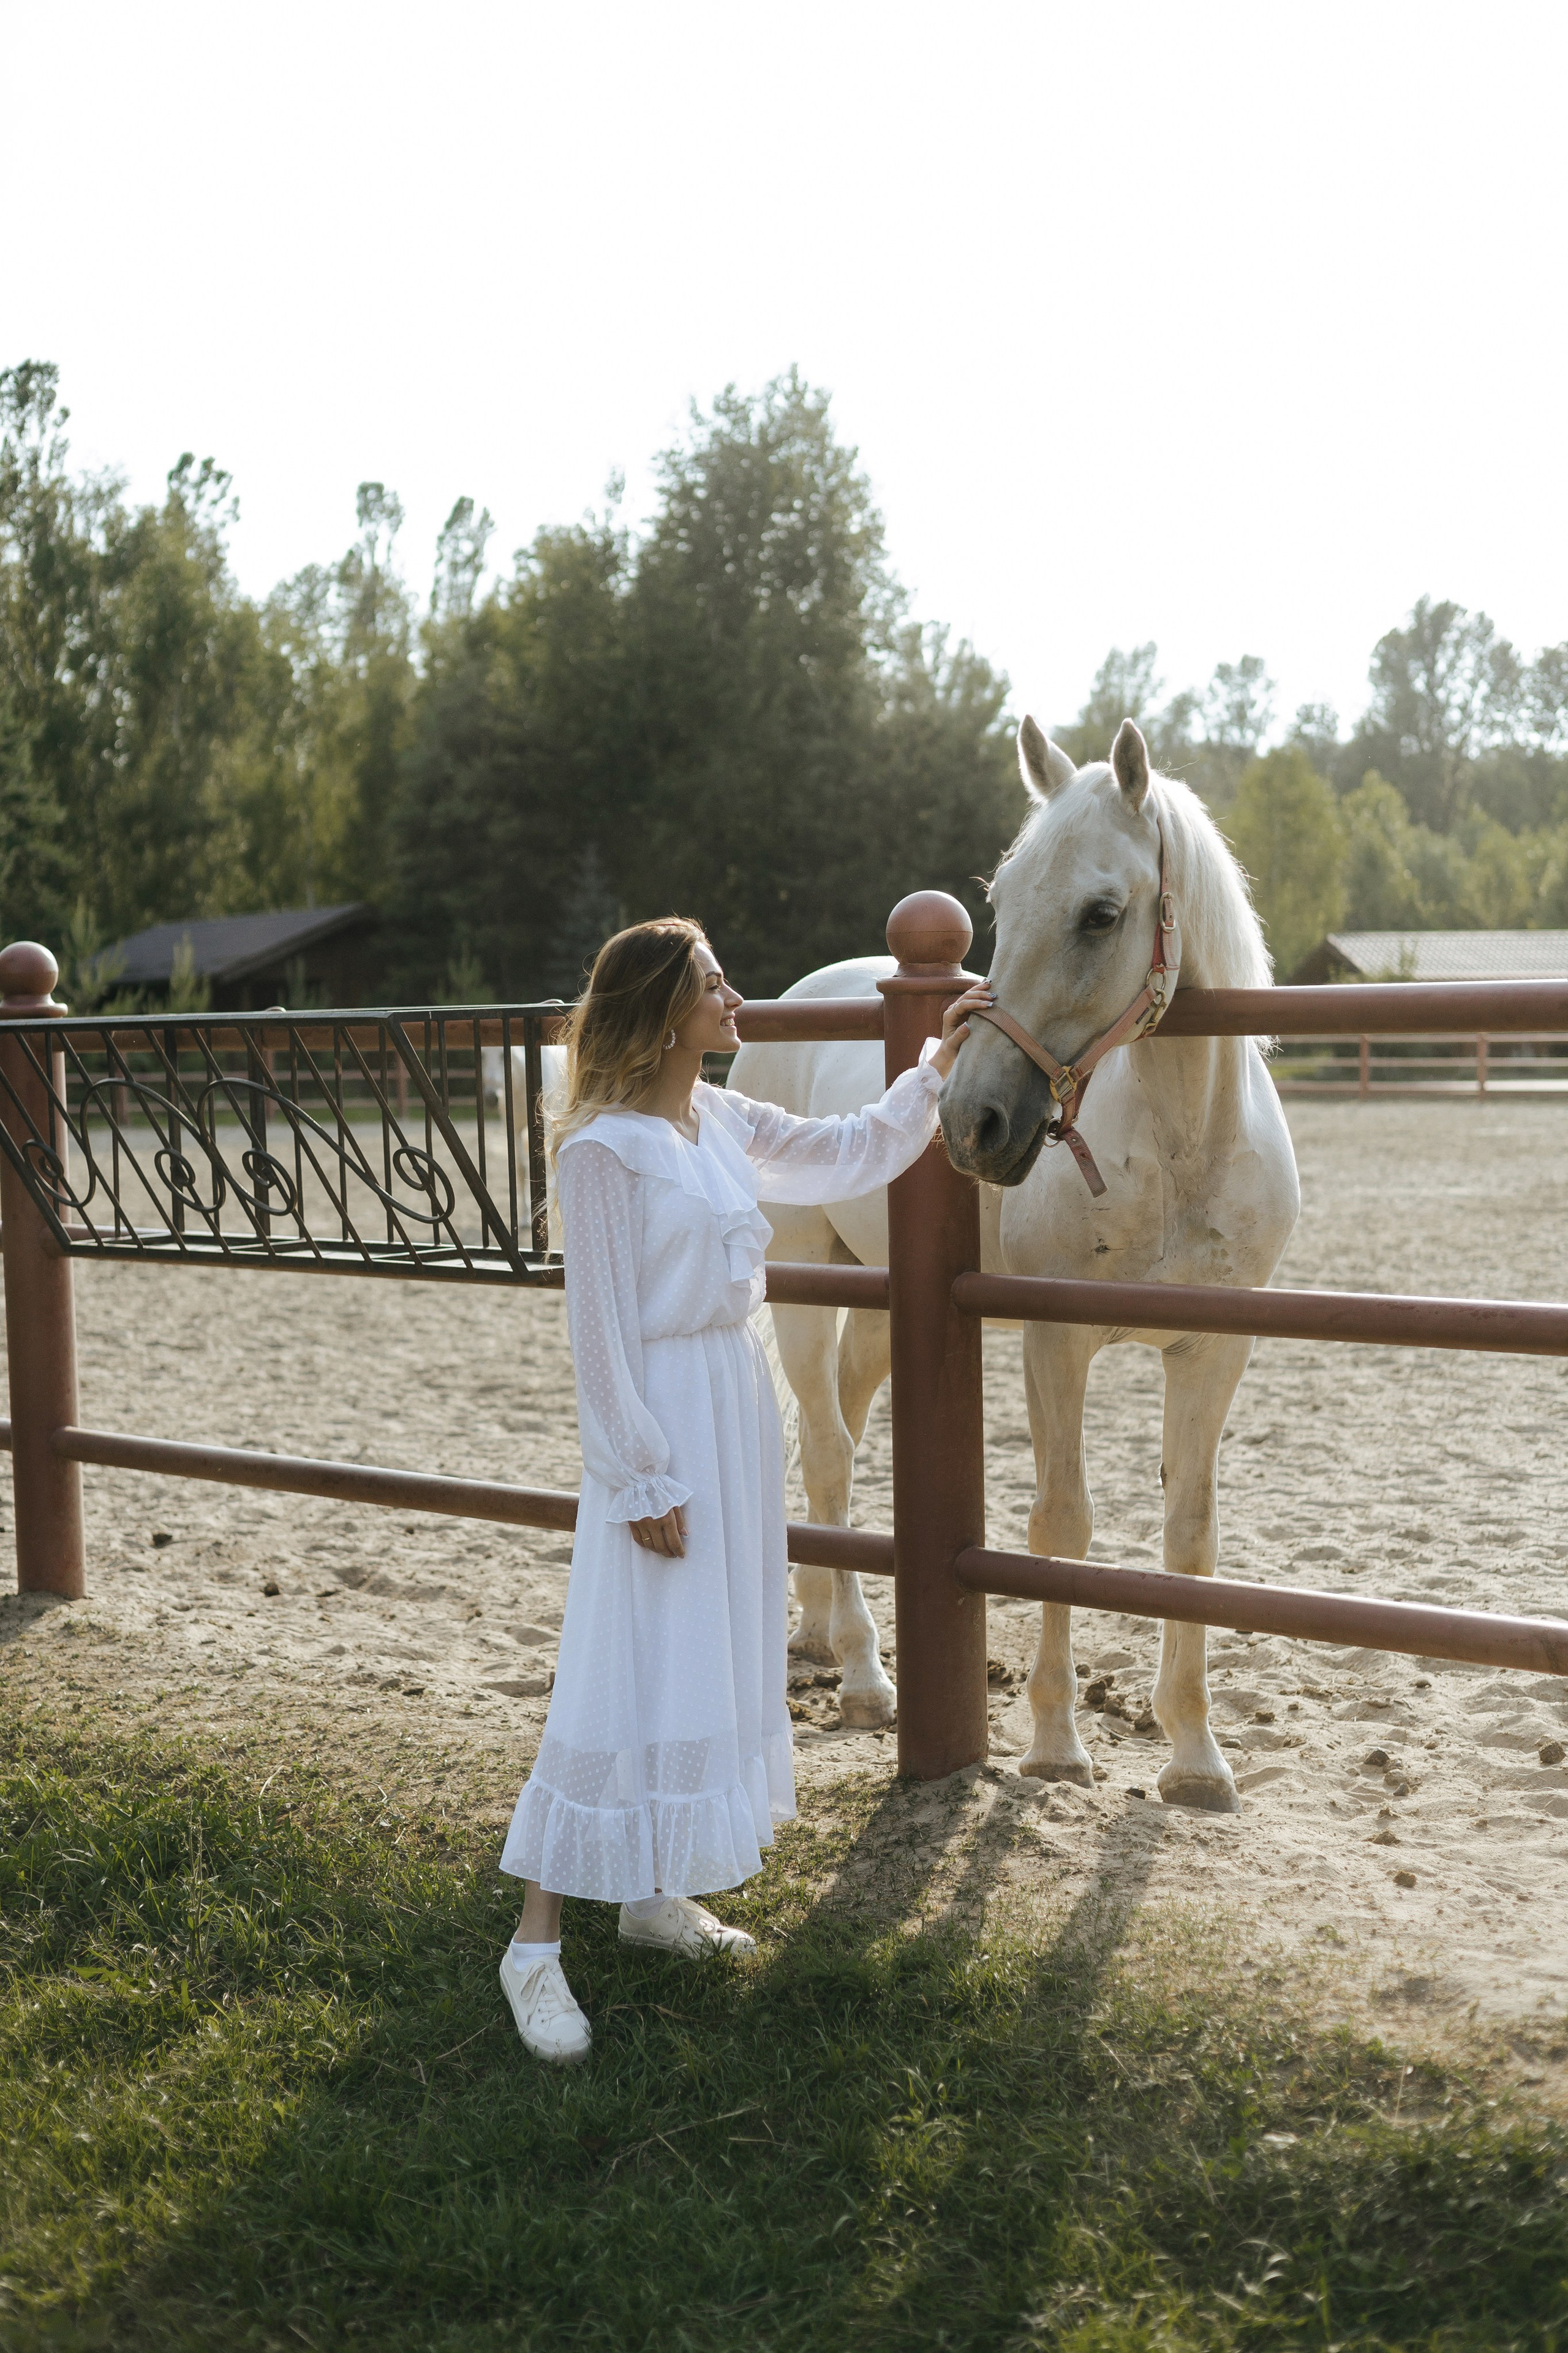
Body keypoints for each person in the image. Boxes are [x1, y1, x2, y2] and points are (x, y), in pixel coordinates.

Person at [496, 917, 992, 2062]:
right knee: (616, 1669)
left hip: (734, 1407)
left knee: (707, 1651)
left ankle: (653, 1895)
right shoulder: (603, 1150)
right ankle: (533, 1945)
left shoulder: (717, 1118)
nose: (738, 999)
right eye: (718, 984)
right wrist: (639, 1474)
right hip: (663, 1423)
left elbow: (851, 1150)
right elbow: (601, 1338)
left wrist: (933, 1068)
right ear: (668, 1010)